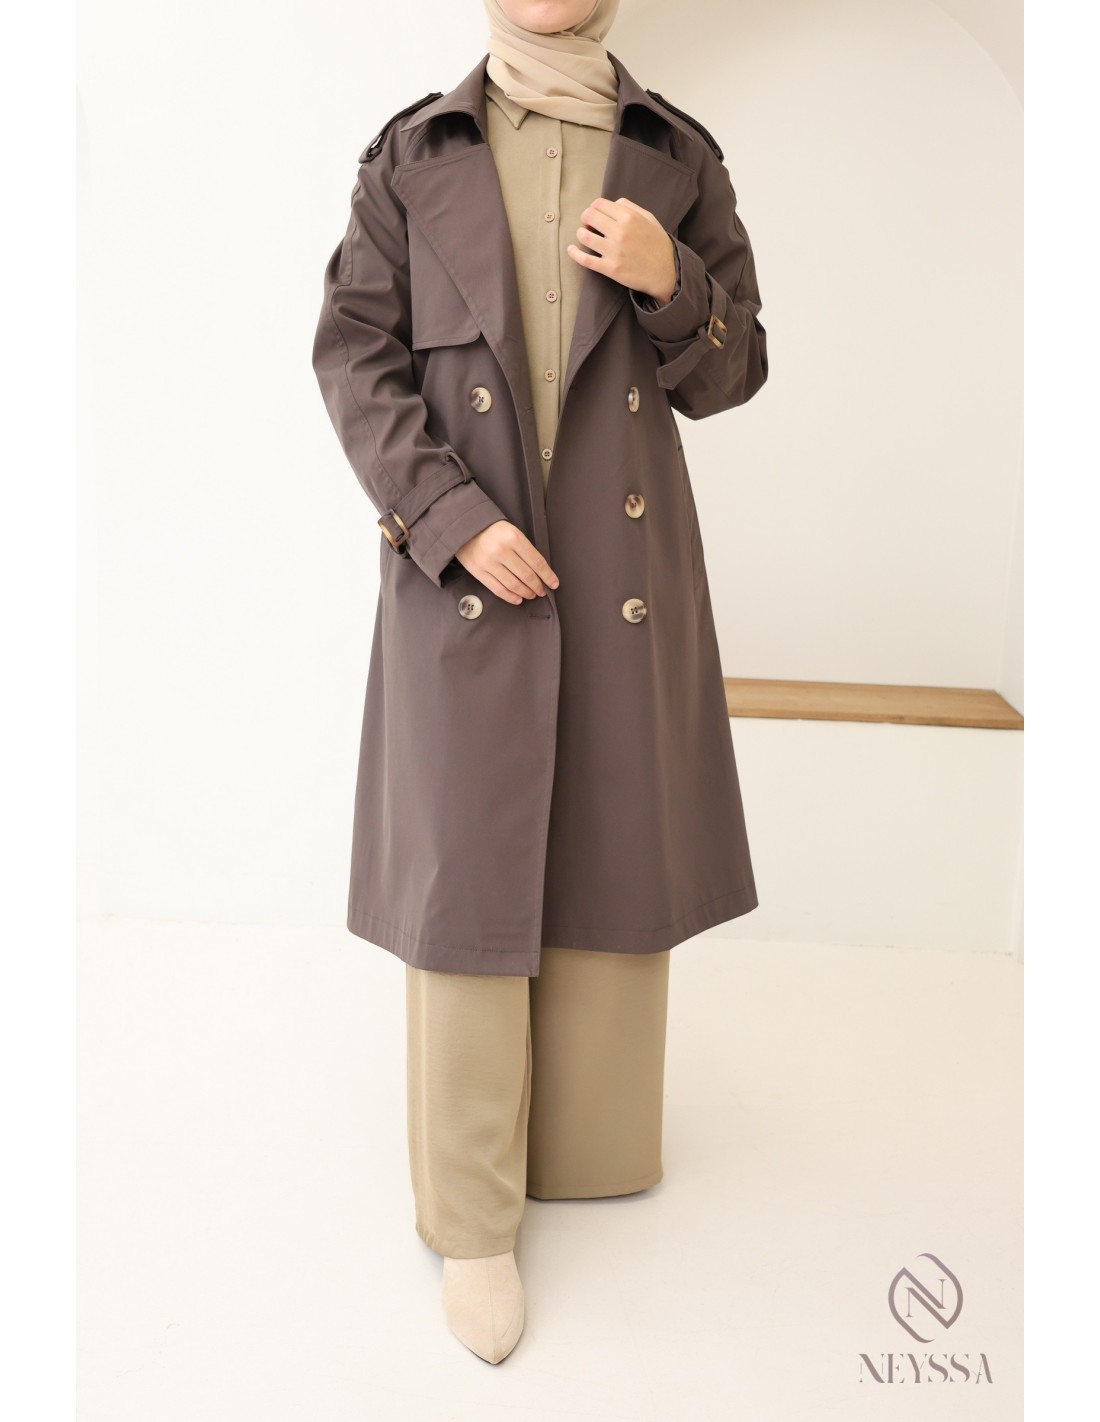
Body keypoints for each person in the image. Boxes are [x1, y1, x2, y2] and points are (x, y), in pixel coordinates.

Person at [311, 0, 768, 1365]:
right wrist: (451, 520)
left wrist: (674, 282)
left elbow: (735, 369)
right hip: (469, 574)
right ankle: (472, 1217)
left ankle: (582, 1155)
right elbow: (354, 356)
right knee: (468, 871)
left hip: (620, 574)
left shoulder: (677, 154)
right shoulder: (414, 154)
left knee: (611, 844)